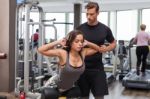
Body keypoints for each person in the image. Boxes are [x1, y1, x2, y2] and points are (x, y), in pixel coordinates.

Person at [38, 30, 100, 99]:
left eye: (81, 41)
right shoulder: (63, 53)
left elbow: (98, 49)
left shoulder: (83, 53)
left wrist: (88, 43)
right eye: (77, 41)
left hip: (68, 89)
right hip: (53, 86)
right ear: (70, 43)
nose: (80, 44)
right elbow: (41, 50)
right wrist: (58, 42)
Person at [76, 2, 116, 99]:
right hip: (82, 69)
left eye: (92, 14)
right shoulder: (80, 28)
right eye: (87, 14)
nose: (89, 17)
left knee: (99, 97)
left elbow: (114, 43)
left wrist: (106, 48)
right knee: (83, 97)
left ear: (98, 13)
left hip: (97, 69)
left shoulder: (105, 29)